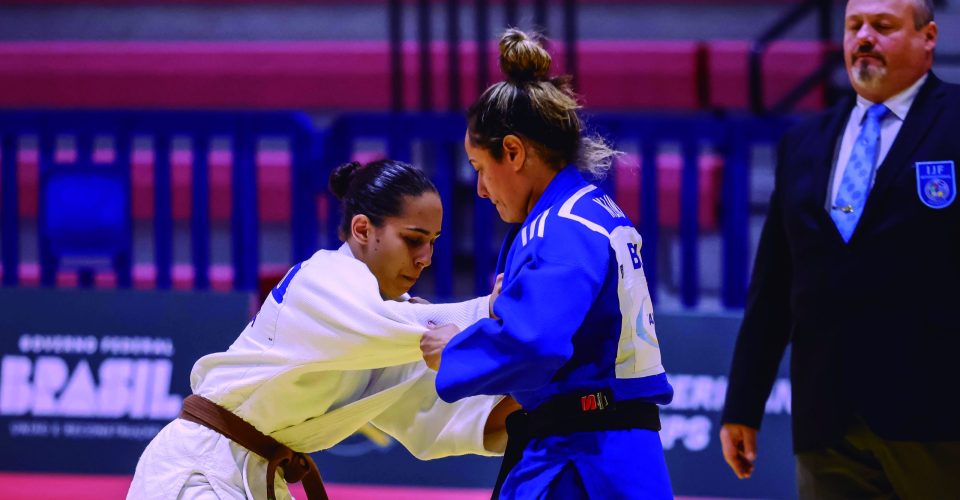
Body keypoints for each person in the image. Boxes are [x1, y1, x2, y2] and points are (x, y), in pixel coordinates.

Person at [128, 159, 517, 500]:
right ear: (362, 229)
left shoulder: (391, 329)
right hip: (201, 468)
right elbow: (409, 330)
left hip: (253, 473)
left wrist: (545, 402)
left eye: (432, 243)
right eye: (413, 240)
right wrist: (491, 309)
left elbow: (437, 413)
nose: (425, 259)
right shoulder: (321, 280)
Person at [419, 29, 674, 499]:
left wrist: (456, 349)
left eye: (479, 167)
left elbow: (535, 342)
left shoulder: (560, 227)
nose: (479, 189)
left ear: (513, 152)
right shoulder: (591, 208)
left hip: (582, 459)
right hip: (617, 454)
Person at [720, 0, 960, 497]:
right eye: (855, 26)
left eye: (884, 26)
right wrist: (743, 403)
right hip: (826, 416)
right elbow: (774, 284)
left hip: (937, 417)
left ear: (929, 36)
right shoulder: (804, 141)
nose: (864, 37)